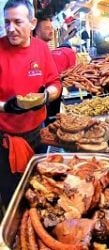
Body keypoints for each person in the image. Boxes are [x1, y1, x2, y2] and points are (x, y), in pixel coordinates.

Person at [0, 0, 61, 204]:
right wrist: (5, 106)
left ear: (32, 22)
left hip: (38, 133)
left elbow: (54, 82)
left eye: (17, 22)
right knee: (14, 195)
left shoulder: (41, 48)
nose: (11, 28)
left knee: (43, 188)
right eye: (7, 22)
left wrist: (45, 96)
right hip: (6, 139)